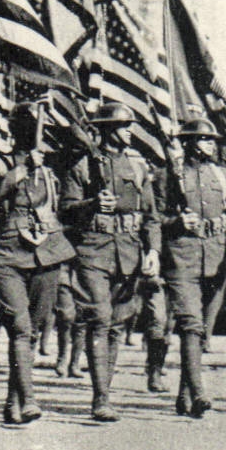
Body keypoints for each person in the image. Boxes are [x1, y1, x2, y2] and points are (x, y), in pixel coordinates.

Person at [60, 103, 160, 423]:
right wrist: (91, 204)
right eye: (122, 125)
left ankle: (106, 392)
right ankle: (100, 398)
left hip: (128, 252)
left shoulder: (138, 167)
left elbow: (151, 217)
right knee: (100, 317)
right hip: (93, 250)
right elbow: (65, 211)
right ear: (106, 130)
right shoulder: (82, 166)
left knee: (117, 322)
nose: (130, 130)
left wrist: (153, 250)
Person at [0, 101, 75, 425]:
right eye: (22, 125)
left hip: (47, 252)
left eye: (34, 125)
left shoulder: (51, 168)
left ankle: (13, 401)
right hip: (9, 253)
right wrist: (20, 171)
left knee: (31, 332)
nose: (29, 131)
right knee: (19, 326)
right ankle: (30, 400)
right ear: (12, 129)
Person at [158, 116, 226, 418]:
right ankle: (199, 392)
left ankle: (185, 395)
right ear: (188, 143)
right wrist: (175, 222)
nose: (210, 145)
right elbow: (152, 218)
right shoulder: (168, 175)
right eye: (204, 139)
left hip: (216, 260)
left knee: (203, 331)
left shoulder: (224, 177)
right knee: (190, 323)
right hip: (182, 256)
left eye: (211, 140)